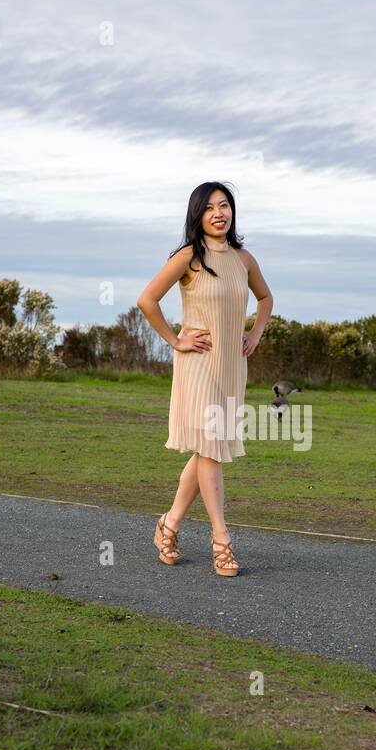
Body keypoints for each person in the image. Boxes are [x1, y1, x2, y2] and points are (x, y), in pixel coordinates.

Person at [136, 181, 273, 576]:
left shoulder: (243, 259)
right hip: (197, 364)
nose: (219, 212)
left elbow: (266, 299)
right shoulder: (188, 257)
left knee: (206, 450)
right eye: (210, 207)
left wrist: (255, 333)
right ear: (197, 215)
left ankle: (169, 524)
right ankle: (221, 539)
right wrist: (174, 340)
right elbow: (147, 300)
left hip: (231, 366)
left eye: (225, 205)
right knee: (211, 449)